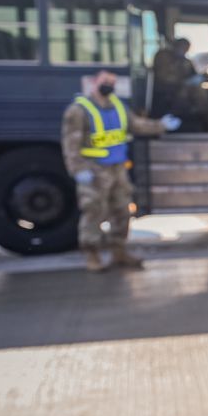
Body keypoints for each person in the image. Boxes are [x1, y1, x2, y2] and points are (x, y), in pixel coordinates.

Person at [61, 70, 181, 272]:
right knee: (94, 211)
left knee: (122, 210)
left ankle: (119, 251)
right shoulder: (79, 110)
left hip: (117, 169)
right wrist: (78, 169)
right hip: (93, 169)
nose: (109, 85)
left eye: (112, 82)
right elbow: (70, 144)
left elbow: (137, 125)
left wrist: (161, 125)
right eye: (105, 81)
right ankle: (92, 254)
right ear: (94, 83)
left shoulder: (118, 106)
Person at [152, 38, 204, 126]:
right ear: (175, 46)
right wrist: (182, 82)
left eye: (186, 49)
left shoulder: (186, 61)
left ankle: (201, 118)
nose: (184, 50)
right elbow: (163, 77)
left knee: (200, 91)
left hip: (183, 88)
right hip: (165, 89)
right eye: (182, 47)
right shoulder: (163, 56)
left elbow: (194, 74)